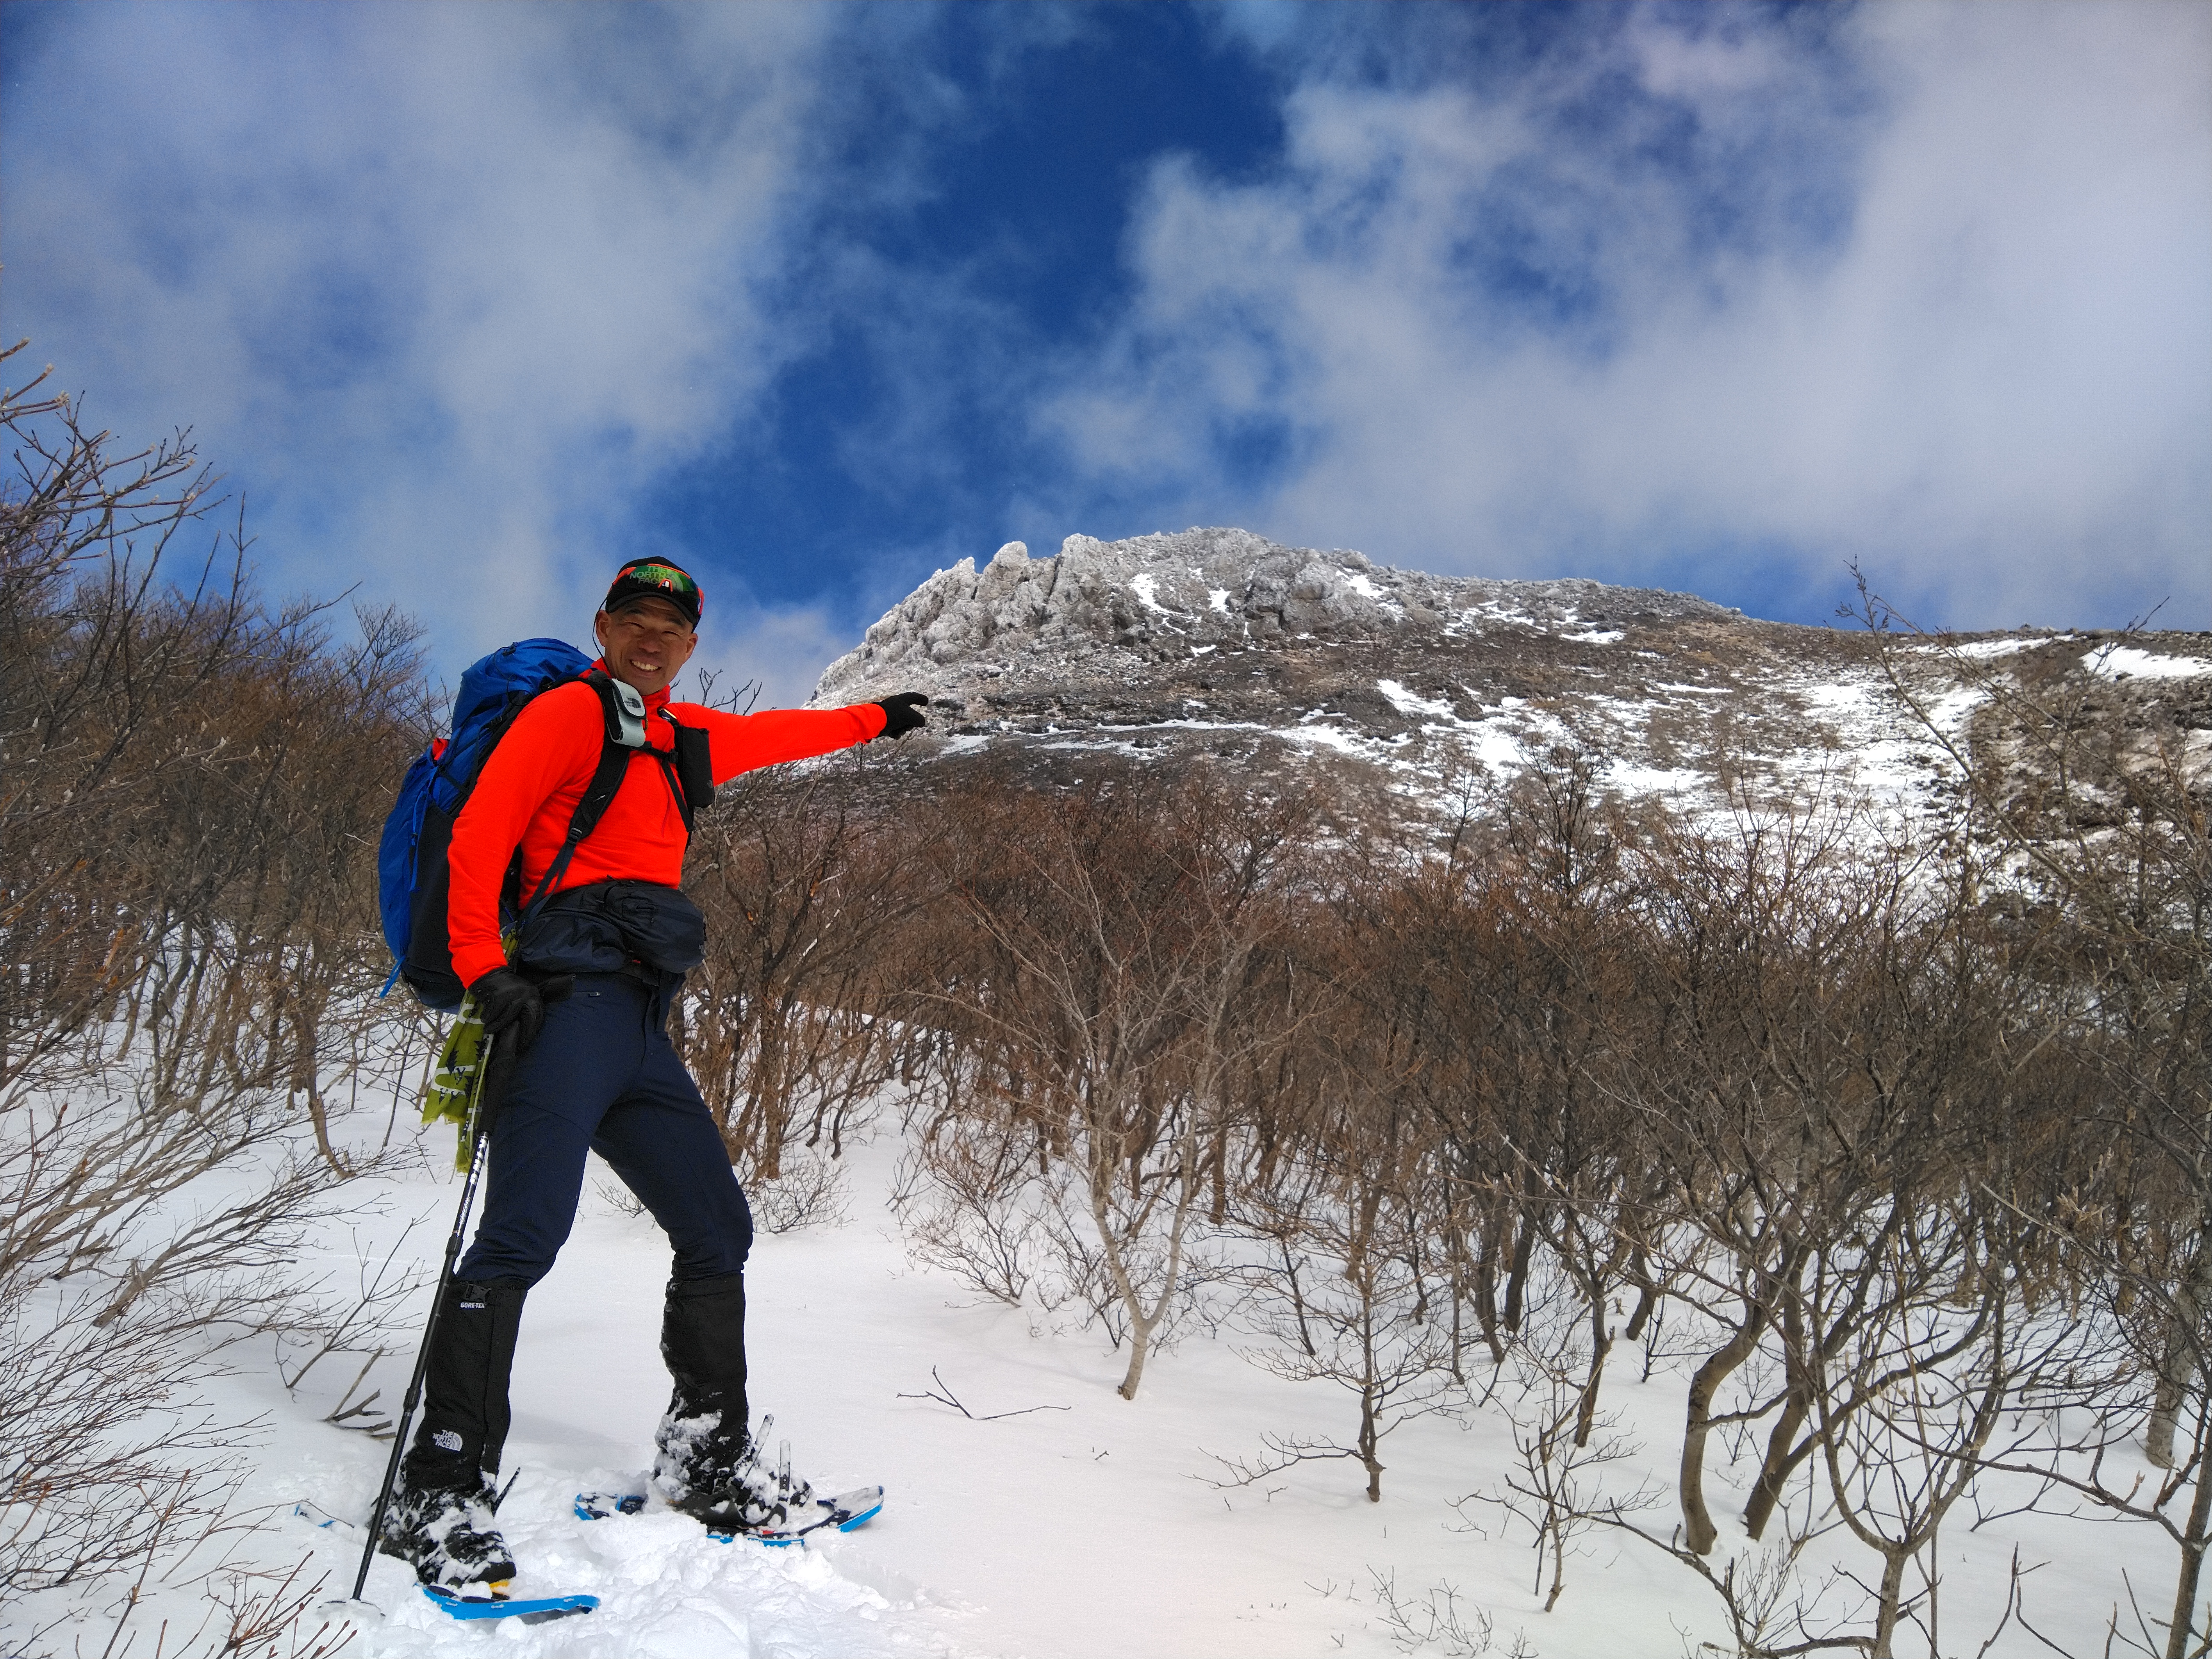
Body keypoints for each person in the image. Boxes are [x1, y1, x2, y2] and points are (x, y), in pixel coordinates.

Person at [381, 556, 927, 1589]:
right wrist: (484, 970)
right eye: (635, 621)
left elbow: (777, 737)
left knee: (718, 1229)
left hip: (640, 1025)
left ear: (690, 644)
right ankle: (440, 1486)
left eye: (670, 628)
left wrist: (878, 719)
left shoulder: (682, 736)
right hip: (557, 1014)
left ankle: (706, 1461)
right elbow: (484, 834)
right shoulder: (568, 717)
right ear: (604, 626)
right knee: (519, 1241)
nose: (652, 638)